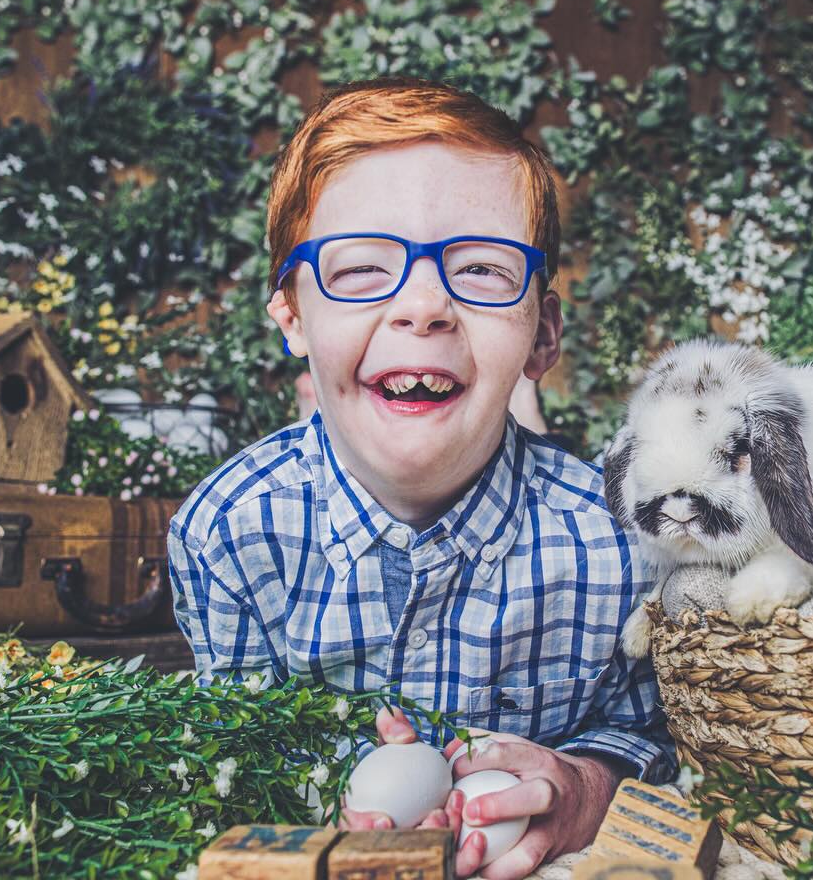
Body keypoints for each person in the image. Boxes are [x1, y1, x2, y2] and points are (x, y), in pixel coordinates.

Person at [167, 77, 675, 879]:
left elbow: (647, 734)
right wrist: (317, 791)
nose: (424, 306)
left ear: (542, 337)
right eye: (363, 268)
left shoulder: (619, 544)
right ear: (293, 318)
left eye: (480, 269)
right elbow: (237, 751)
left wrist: (582, 784)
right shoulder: (229, 534)